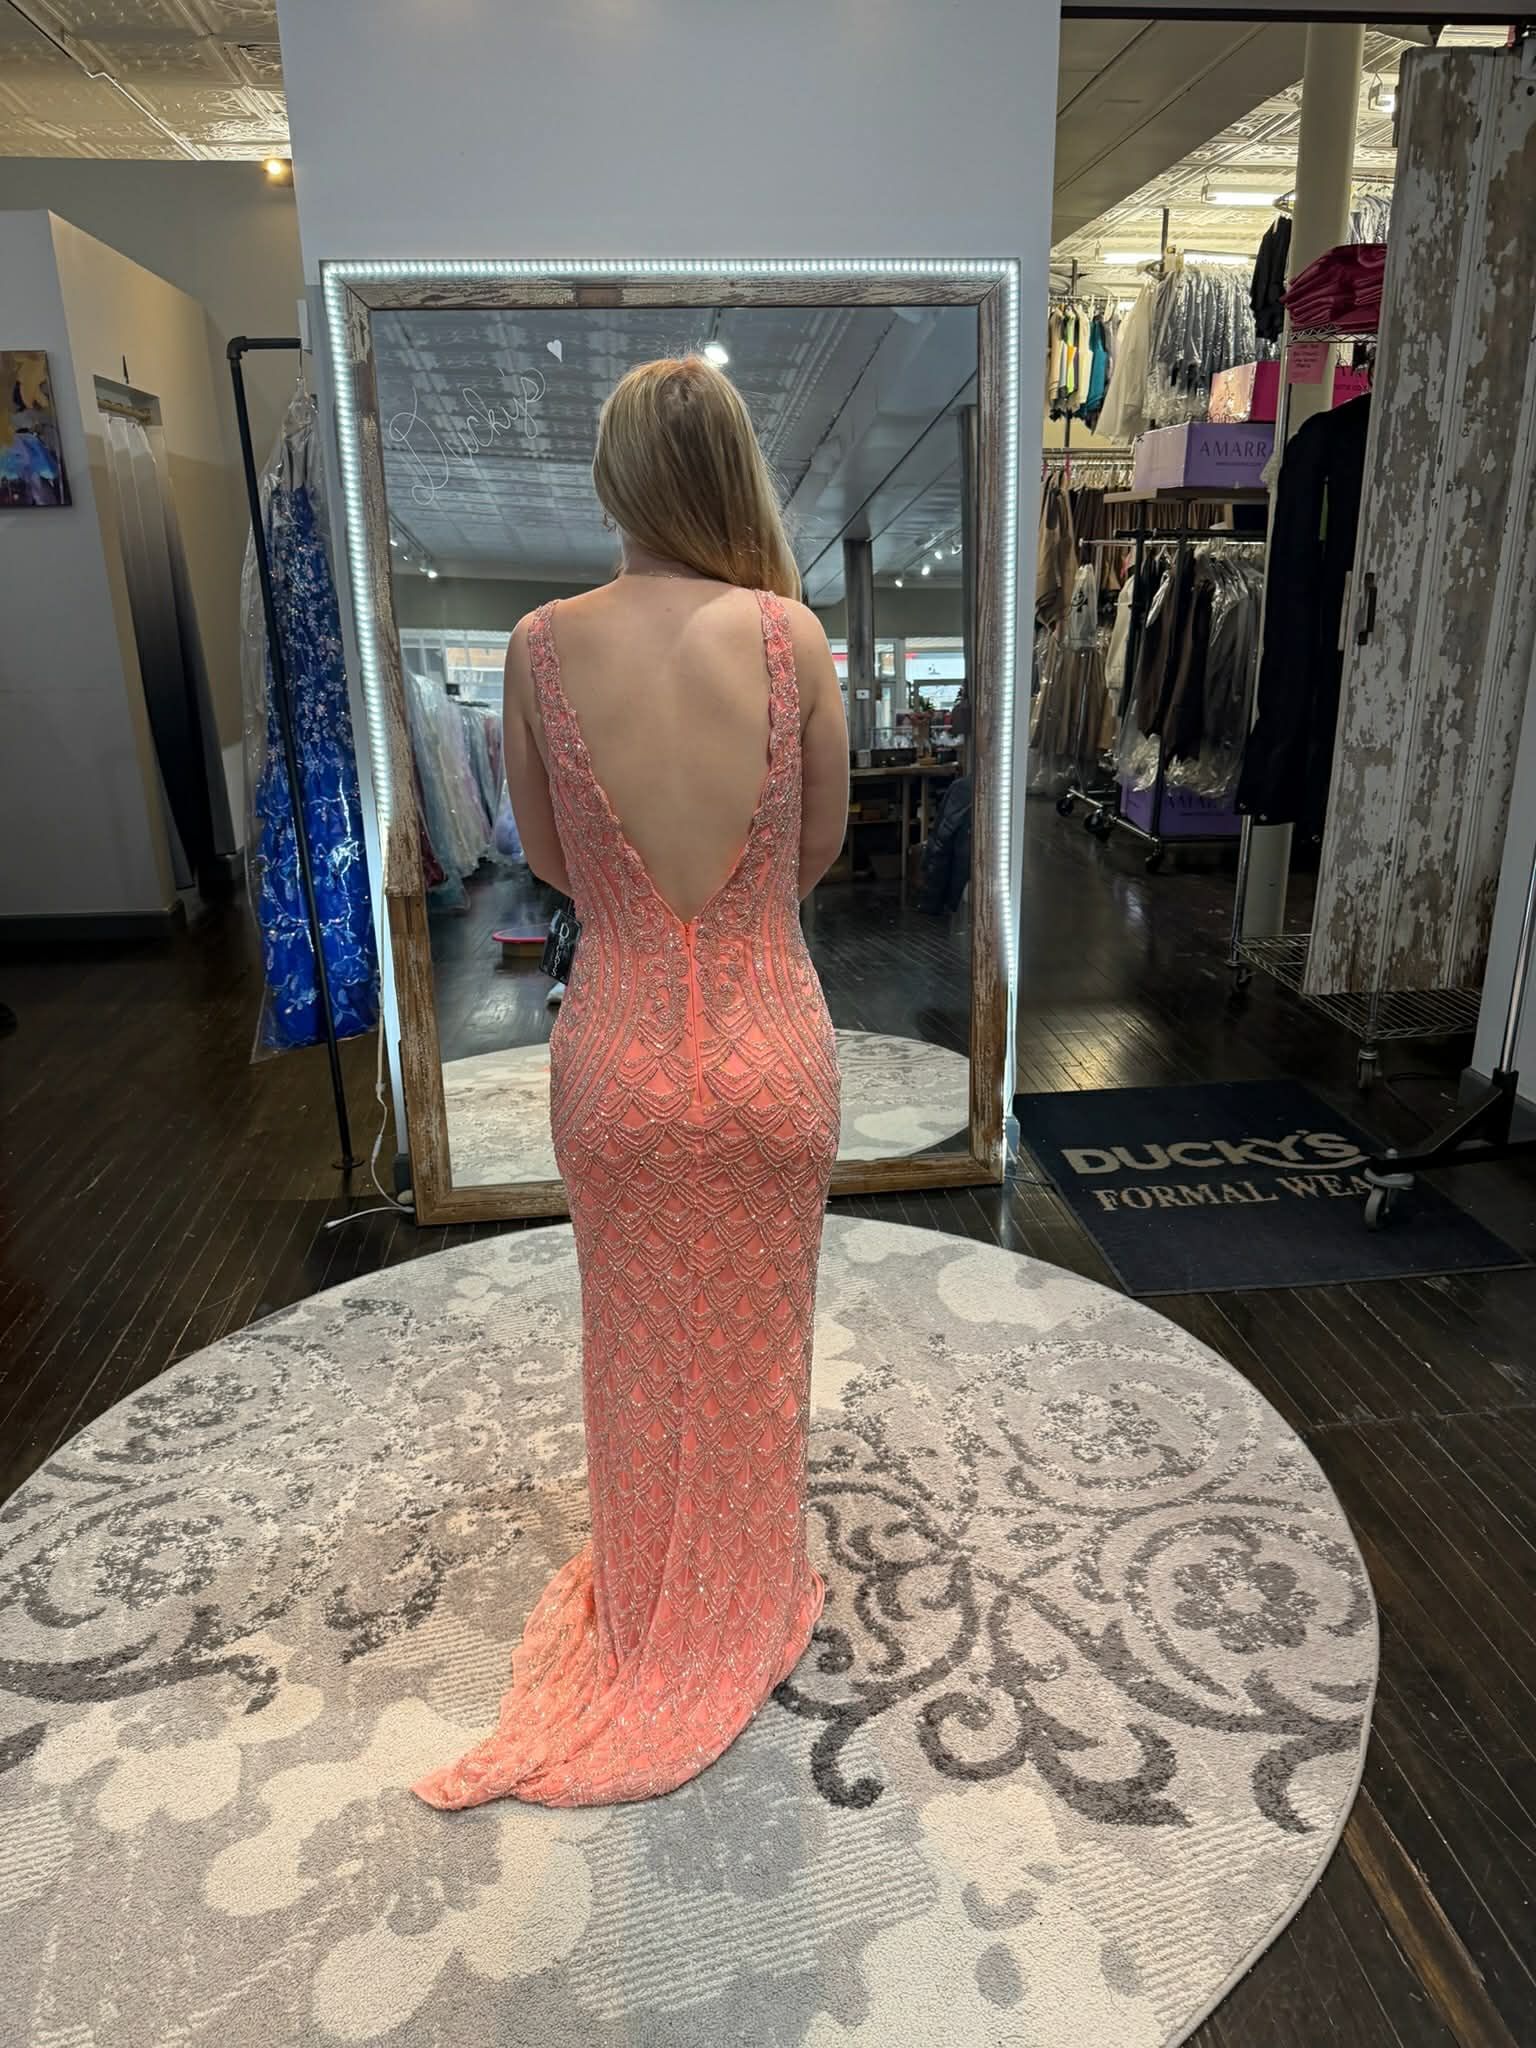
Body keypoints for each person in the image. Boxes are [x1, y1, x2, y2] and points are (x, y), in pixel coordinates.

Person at [413, 356, 849, 1811]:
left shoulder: (542, 646)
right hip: (769, 1049)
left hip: (618, 1061)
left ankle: (663, 1599)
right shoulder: (794, 639)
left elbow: (542, 856)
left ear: (614, 484)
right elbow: (816, 857)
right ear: (734, 475)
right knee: (757, 1338)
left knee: (640, 1342)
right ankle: (741, 1589)